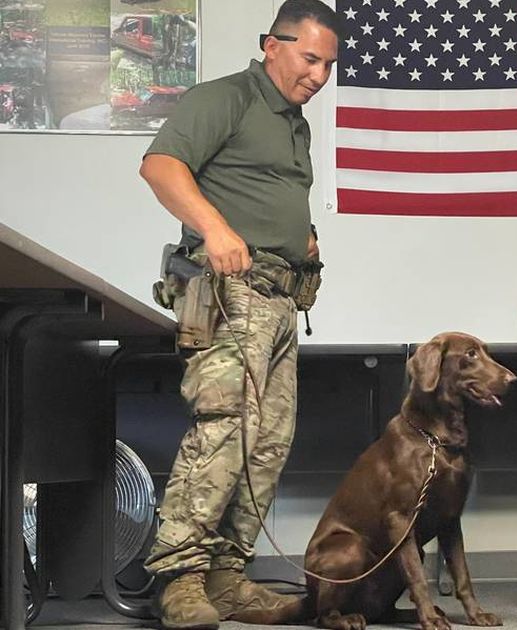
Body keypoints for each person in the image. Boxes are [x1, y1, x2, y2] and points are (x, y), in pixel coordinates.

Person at [137, 1, 338, 627]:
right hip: (231, 294)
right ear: (271, 44)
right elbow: (160, 165)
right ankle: (180, 578)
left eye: (329, 64)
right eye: (310, 58)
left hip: (279, 300)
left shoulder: (292, 122)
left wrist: (299, 239)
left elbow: (260, 187)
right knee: (223, 433)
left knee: (267, 445)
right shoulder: (228, 96)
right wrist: (217, 229)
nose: (319, 76)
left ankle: (226, 576)